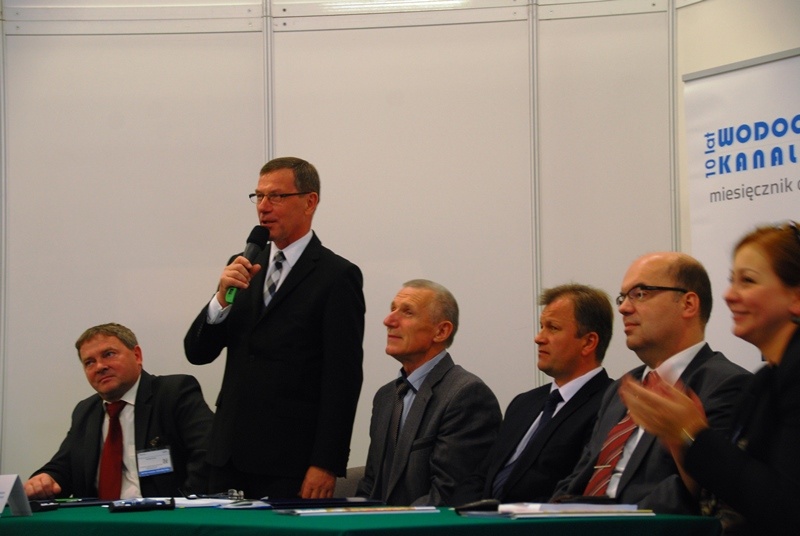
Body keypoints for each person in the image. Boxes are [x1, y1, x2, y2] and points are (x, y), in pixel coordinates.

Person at [184, 157, 365, 500]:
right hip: (227, 457)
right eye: (259, 196)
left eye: (277, 196)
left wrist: (326, 463)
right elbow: (197, 352)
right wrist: (220, 301)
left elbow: (342, 378)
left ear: (310, 201)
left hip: (289, 461)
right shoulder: (243, 265)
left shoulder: (336, 276)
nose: (264, 207)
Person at [620, 223, 800, 535]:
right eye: (732, 281)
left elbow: (785, 507)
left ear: (795, 296)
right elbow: (721, 501)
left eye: (748, 281)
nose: (729, 295)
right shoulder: (763, 382)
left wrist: (693, 434)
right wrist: (679, 439)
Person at [552, 252, 751, 513]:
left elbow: (700, 491)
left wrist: (607, 519)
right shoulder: (621, 388)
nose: (623, 308)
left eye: (640, 293)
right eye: (623, 297)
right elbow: (580, 476)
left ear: (688, 304)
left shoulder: (726, 384)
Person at [451, 284, 614, 505]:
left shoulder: (610, 405)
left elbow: (577, 488)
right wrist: (461, 514)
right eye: (541, 327)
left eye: (553, 328)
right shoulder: (524, 403)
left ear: (588, 342)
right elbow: (481, 475)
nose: (539, 338)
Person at [25, 323, 213, 500]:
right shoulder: (85, 411)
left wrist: (185, 504)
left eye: (109, 354)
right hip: (99, 517)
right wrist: (46, 478)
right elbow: (64, 467)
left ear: (137, 355)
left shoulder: (173, 393)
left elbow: (207, 453)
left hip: (164, 515)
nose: (100, 367)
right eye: (89, 362)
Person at [356, 279, 502, 506]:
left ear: (441, 331)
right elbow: (371, 485)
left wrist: (386, 523)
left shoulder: (466, 395)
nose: (388, 320)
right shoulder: (386, 396)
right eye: (392, 309)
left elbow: (448, 495)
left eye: (407, 312)